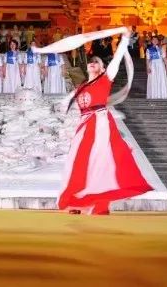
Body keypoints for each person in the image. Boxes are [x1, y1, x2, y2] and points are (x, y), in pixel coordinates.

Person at [56, 31, 153, 215]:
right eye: (91, 61)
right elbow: (68, 103)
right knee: (79, 162)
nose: (92, 63)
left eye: (97, 62)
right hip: (84, 125)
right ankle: (77, 200)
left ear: (102, 68)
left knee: (100, 161)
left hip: (100, 123)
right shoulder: (82, 87)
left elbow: (117, 59)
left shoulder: (105, 79)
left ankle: (100, 203)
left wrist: (124, 40)